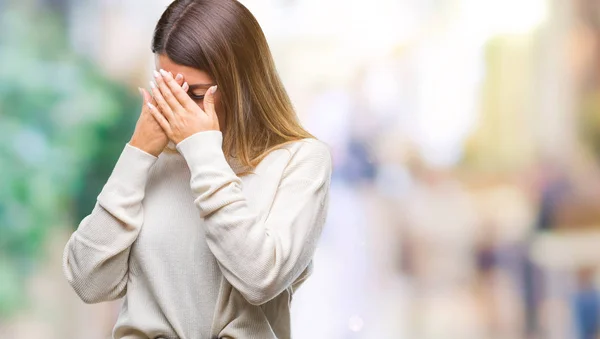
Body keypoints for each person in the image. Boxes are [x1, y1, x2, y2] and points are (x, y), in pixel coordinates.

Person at [62, 1, 332, 338]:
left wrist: (203, 152)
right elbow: (88, 281)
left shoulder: (301, 160)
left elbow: (260, 278)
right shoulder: (152, 158)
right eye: (167, 89)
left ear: (241, 83)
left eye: (195, 93)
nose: (177, 108)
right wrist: (137, 154)